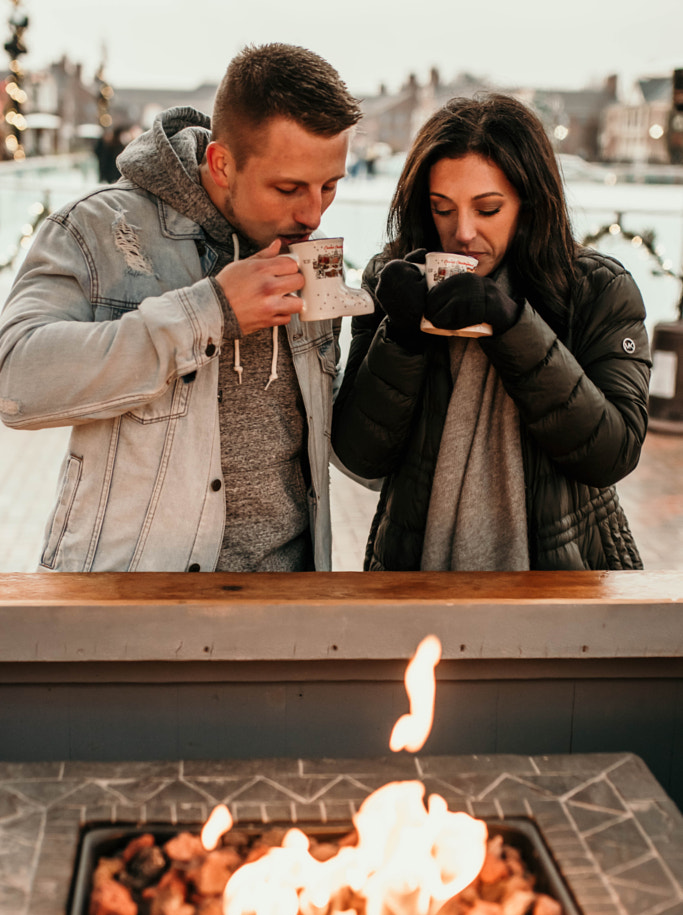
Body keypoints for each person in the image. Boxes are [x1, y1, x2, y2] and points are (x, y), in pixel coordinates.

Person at [0, 43, 361, 572]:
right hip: (135, 611)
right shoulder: (97, 229)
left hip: (288, 607)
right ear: (220, 163)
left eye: (329, 186)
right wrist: (208, 312)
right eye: (288, 188)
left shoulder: (306, 246)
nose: (313, 212)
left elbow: (337, 444)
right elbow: (16, 380)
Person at [332, 95, 651, 571]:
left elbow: (612, 452)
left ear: (529, 203)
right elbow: (361, 454)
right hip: (414, 575)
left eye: (487, 209)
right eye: (442, 208)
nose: (462, 233)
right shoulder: (393, 277)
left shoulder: (597, 290)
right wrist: (403, 337)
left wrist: (513, 325)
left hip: (565, 581)